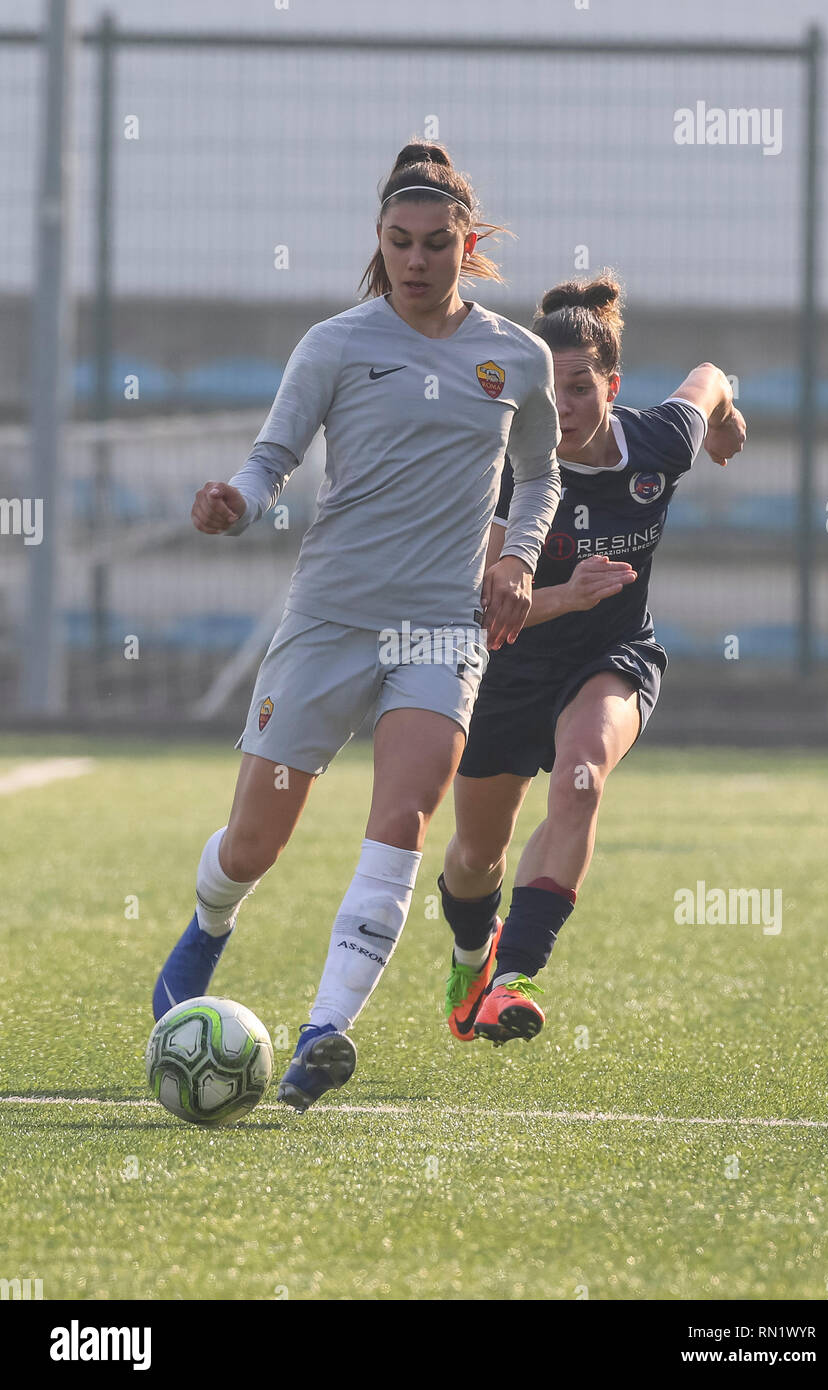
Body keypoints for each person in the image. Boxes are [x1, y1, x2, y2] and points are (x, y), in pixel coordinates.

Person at [152, 141, 563, 1110]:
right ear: (377, 243)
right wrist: (234, 504)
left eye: (435, 244)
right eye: (398, 243)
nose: (416, 261)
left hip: (438, 629)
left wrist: (514, 558)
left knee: (402, 818)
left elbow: (541, 473)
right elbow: (271, 460)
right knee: (253, 843)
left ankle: (321, 1035)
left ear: (467, 245)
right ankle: (204, 931)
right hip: (330, 620)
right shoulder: (334, 344)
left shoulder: (516, 357)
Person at [438, 274, 747, 1046]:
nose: (564, 408)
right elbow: (489, 608)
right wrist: (566, 596)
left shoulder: (656, 445)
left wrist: (724, 421)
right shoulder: (508, 471)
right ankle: (472, 956)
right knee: (477, 858)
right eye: (550, 390)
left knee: (581, 777)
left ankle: (514, 977)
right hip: (510, 663)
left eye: (580, 388)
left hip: (613, 655)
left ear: (611, 384)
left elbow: (708, 378)